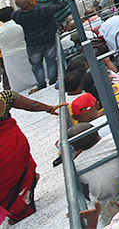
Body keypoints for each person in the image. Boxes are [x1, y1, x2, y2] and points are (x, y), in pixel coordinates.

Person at [0, 89, 65, 222]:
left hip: (4, 153)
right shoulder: (5, 96)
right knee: (21, 170)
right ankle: (29, 183)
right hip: (13, 143)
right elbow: (32, 105)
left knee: (4, 185)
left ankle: (19, 210)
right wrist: (49, 108)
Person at [11, 0, 58, 89]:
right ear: (32, 2)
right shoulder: (43, 10)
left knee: (36, 65)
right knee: (51, 61)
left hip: (32, 43)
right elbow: (60, 4)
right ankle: (53, 81)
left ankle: (41, 84)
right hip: (48, 38)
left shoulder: (17, 16)